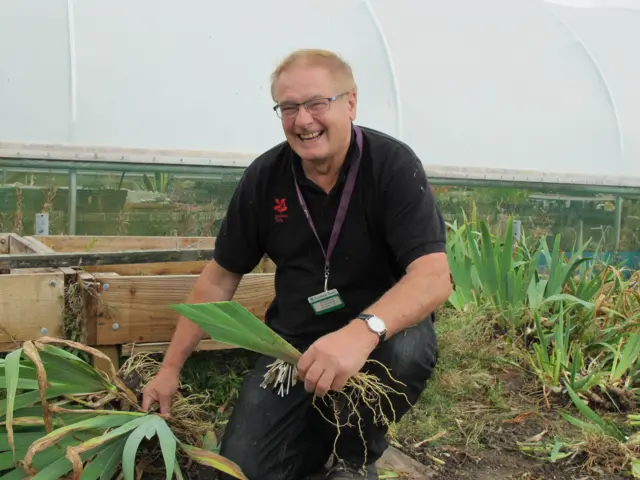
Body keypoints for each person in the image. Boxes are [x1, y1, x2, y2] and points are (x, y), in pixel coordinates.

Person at [142, 48, 452, 480]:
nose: (303, 121)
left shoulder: (391, 166)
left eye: (316, 104)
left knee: (408, 350)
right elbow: (219, 278)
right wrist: (170, 368)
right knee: (240, 471)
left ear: (350, 103)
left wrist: (360, 333)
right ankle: (310, 445)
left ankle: (354, 454)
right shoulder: (266, 177)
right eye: (288, 108)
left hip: (378, 340)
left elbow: (434, 278)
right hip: (293, 349)